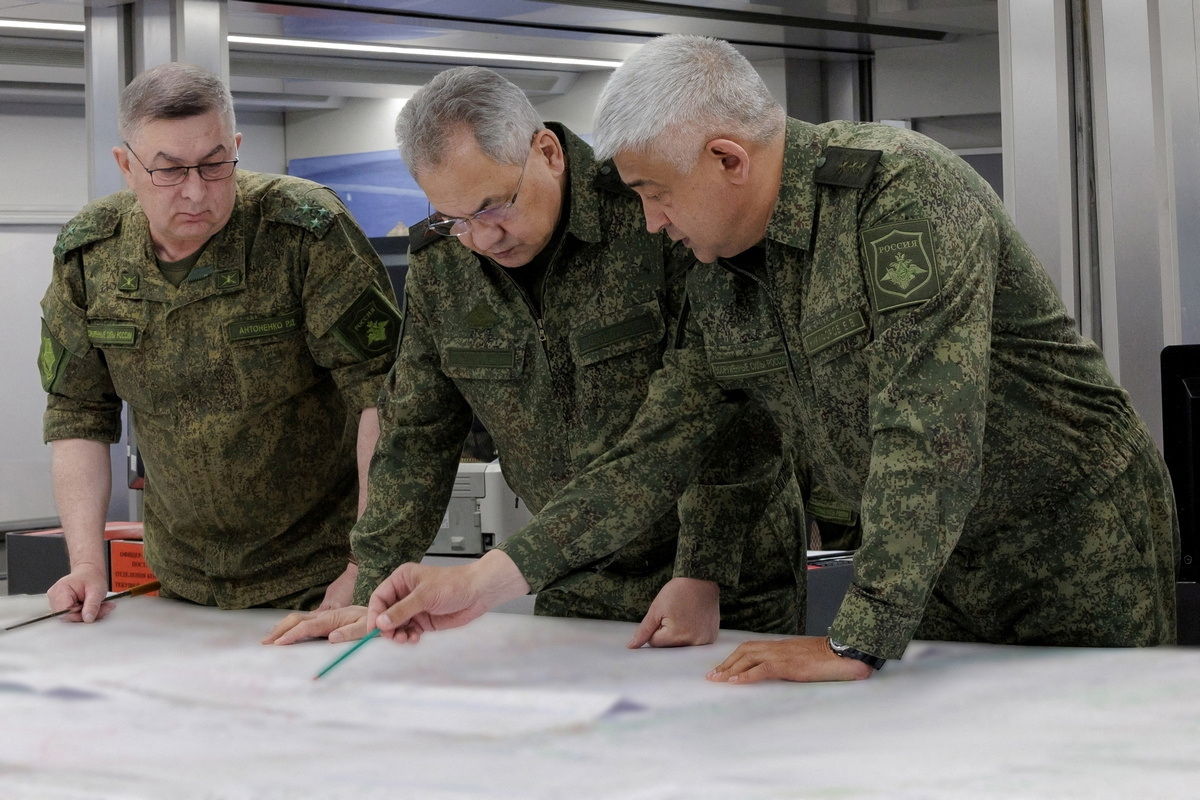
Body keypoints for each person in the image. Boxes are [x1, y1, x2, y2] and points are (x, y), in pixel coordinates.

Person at [360, 35, 1180, 683]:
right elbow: (651, 453)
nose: (648, 224)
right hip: (932, 568)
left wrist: (854, 636)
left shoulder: (902, 196)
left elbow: (926, 430)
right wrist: (491, 578)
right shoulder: (723, 277)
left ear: (726, 159)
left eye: (654, 194)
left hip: (1064, 548)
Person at [264, 66, 805, 649]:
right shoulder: (445, 263)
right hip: (567, 567)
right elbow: (416, 432)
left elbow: (733, 409)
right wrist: (372, 589)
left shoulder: (653, 213)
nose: (482, 238)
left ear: (546, 152)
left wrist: (704, 567)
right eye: (455, 218)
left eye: (494, 206)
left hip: (725, 576)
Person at [39, 63, 399, 622]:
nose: (195, 191)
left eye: (214, 165)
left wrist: (366, 564)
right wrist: (86, 563)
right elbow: (77, 414)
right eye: (169, 171)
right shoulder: (91, 254)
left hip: (321, 576)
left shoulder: (304, 232)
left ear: (235, 146)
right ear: (126, 167)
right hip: (182, 579)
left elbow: (386, 396)